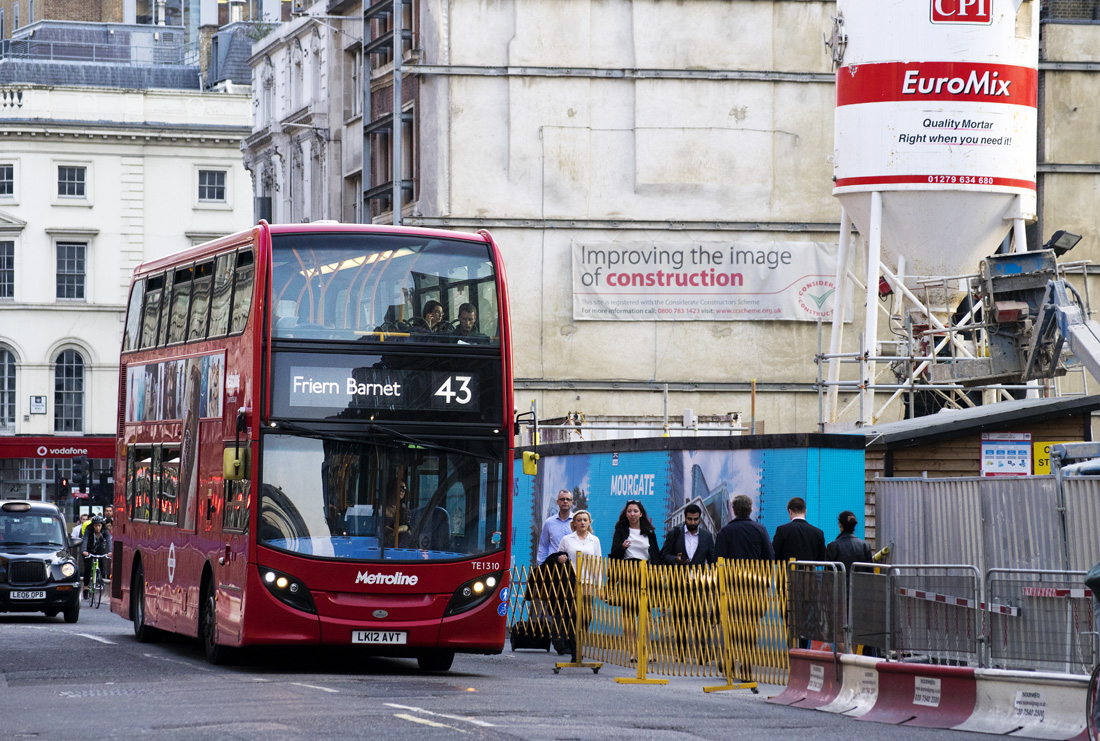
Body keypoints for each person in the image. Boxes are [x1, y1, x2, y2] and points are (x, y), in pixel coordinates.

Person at [609, 500, 660, 663]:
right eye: (629, 511)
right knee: (629, 615)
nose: (632, 514)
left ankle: (647, 649)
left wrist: (659, 574)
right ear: (626, 513)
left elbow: (656, 554)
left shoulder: (649, 532)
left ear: (641, 513)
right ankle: (632, 651)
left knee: (645, 614)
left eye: (635, 511)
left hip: (645, 573)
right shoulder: (621, 529)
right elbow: (614, 553)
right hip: (627, 572)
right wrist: (623, 546)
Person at [556, 510, 602, 662]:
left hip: (588, 583)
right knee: (571, 616)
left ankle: (579, 644)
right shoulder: (567, 539)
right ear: (574, 523)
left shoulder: (594, 540)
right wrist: (560, 559)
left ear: (589, 523)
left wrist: (599, 585)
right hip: (570, 582)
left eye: (585, 520)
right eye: (579, 520)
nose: (582, 522)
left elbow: (598, 563)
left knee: (586, 617)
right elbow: (557, 558)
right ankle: (574, 649)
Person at [715, 494, 774, 561]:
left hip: (731, 571)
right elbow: (769, 556)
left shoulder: (724, 532)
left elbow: (718, 560)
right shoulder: (761, 530)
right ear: (751, 509)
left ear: (734, 510)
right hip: (755, 571)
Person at [772, 497, 827, 562]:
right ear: (805, 511)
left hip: (787, 571)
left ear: (790, 511)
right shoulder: (818, 533)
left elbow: (773, 554)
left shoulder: (782, 530)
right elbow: (822, 558)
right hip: (809, 571)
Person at [825, 510, 873, 576]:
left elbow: (828, 574)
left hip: (839, 585)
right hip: (860, 585)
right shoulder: (865, 545)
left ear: (840, 524)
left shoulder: (833, 546)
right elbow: (870, 573)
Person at [536, 489, 574, 565]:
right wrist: (542, 565)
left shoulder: (577, 521)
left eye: (568, 499)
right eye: (562, 499)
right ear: (558, 502)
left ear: (572, 502)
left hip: (572, 566)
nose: (565, 501)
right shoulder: (549, 522)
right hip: (554, 566)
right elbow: (544, 545)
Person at [81, 516, 112, 599]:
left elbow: (109, 541)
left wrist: (109, 552)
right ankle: (86, 587)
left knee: (101, 562)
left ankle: (100, 578)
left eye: (99, 525)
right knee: (88, 568)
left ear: (102, 525)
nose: (97, 528)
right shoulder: (88, 530)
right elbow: (85, 540)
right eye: (95, 526)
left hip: (99, 549)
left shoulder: (105, 531)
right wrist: (84, 551)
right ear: (93, 526)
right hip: (88, 550)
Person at [382, 478, 412, 548]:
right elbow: (378, 525)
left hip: (400, 545)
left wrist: (397, 530)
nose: (402, 490)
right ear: (392, 488)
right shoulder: (381, 507)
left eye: (404, 489)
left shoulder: (404, 509)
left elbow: (408, 527)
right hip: (382, 546)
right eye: (400, 487)